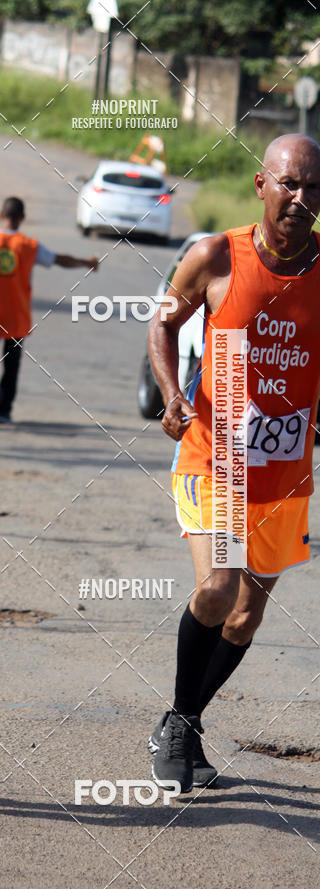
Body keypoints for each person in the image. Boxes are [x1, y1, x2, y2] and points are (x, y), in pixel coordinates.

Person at [146, 133, 320, 793]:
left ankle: (181, 720)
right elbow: (161, 323)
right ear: (261, 184)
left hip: (284, 474)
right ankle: (182, 725)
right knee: (218, 587)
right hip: (212, 460)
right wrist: (170, 396)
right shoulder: (216, 255)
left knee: (246, 614)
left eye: (314, 189)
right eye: (290, 183)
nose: (301, 199)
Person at [0, 196, 98, 423]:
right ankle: (4, 411)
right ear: (22, 218)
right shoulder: (30, 246)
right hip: (17, 317)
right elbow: (59, 260)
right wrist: (85, 263)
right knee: (12, 366)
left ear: (1, 215)